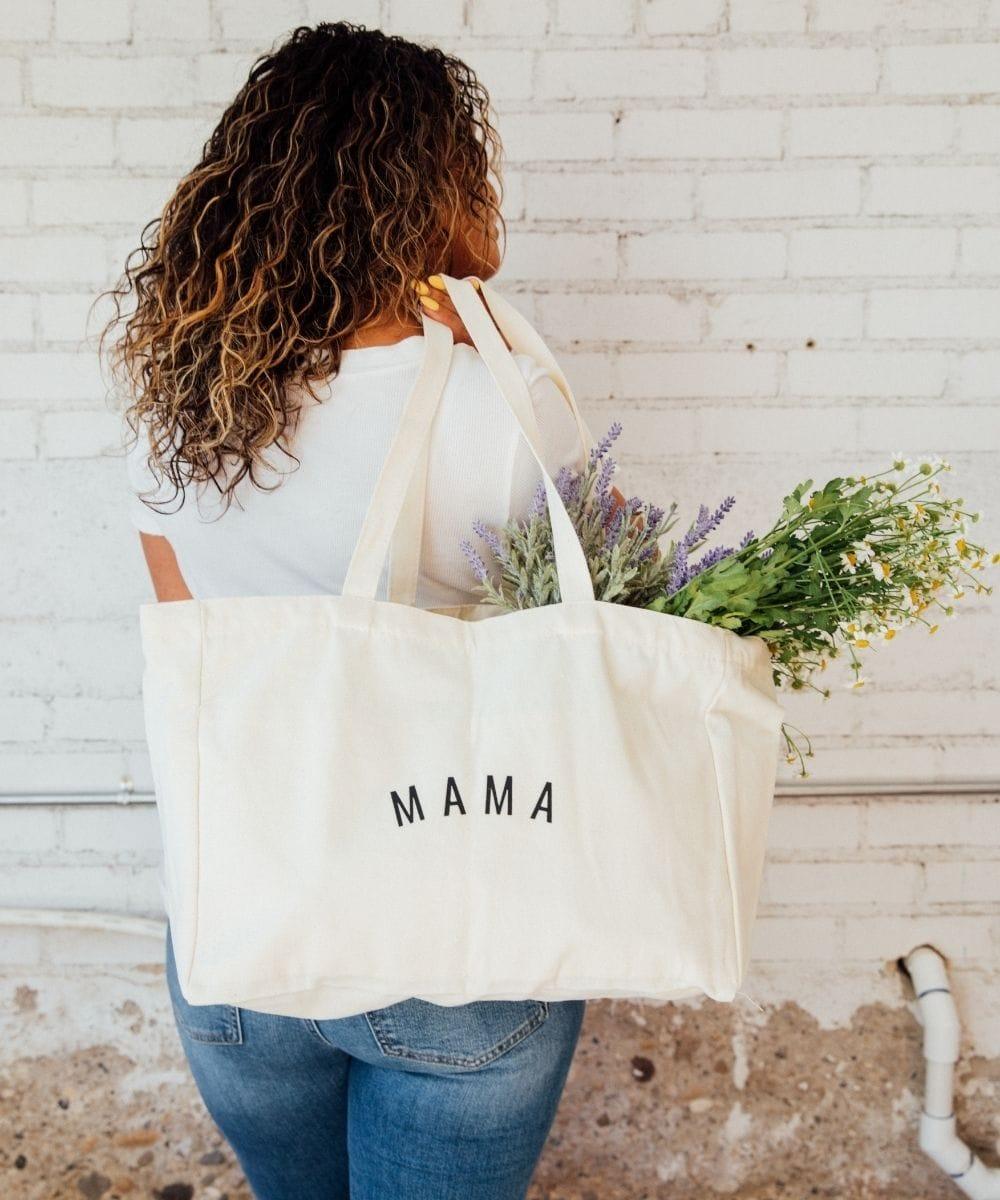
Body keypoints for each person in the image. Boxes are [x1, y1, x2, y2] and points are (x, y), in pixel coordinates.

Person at [102, 21, 588, 1200]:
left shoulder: (180, 413)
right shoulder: (503, 406)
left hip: (242, 928)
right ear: (429, 188)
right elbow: (586, 639)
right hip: (457, 940)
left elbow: (209, 658)